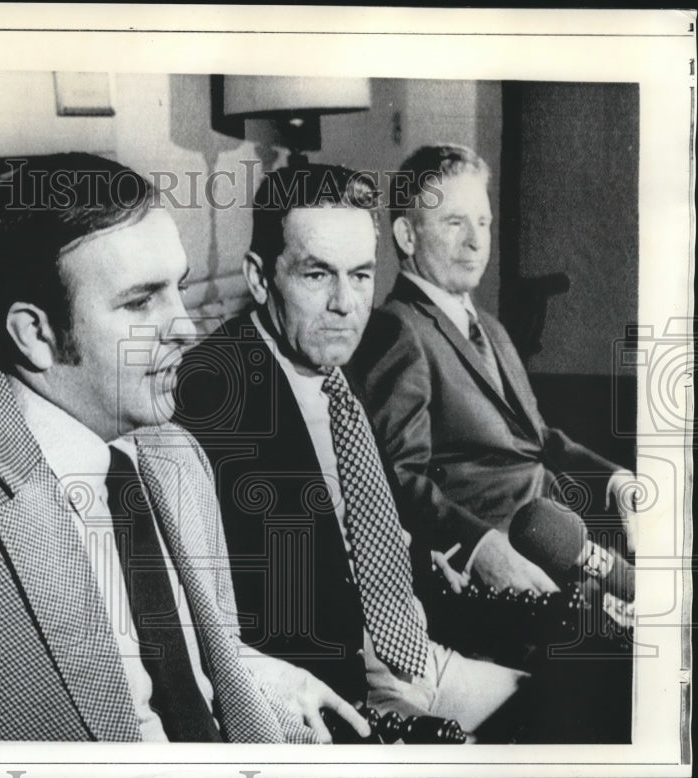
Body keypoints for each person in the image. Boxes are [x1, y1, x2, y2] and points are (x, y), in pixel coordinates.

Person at [0, 153, 369, 742]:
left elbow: (165, 659)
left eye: (178, 289)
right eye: (141, 302)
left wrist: (256, 673)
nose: (185, 327)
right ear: (35, 334)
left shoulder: (175, 457)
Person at [174, 163, 525, 735]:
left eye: (361, 276)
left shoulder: (343, 361)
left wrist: (413, 558)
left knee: (563, 703)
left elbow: (363, 502)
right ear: (261, 279)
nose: (345, 304)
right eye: (317, 276)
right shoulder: (210, 395)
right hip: (336, 691)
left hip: (418, 651)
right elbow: (231, 614)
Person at [348, 144, 637, 595]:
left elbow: (539, 440)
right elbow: (399, 480)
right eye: (454, 222)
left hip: (569, 536)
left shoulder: (490, 327)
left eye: (482, 222)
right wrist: (481, 547)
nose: (476, 240)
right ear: (407, 236)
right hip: (515, 571)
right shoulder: (396, 328)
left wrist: (616, 481)